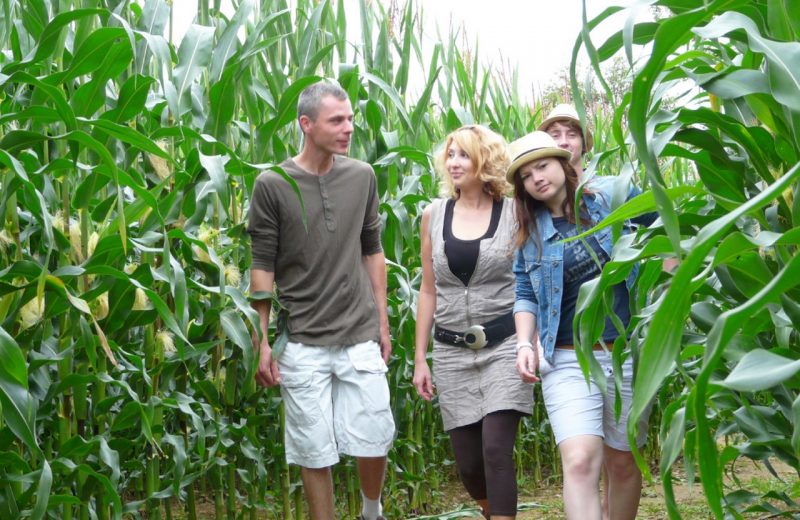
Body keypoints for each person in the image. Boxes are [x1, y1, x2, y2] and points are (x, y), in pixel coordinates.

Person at [248, 81, 395, 520]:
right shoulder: (272, 184)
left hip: (358, 335)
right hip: (303, 341)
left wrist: (383, 323)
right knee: (314, 451)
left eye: (350, 118)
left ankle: (372, 510)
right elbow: (262, 266)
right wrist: (261, 340)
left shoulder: (361, 176)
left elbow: (373, 250)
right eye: (337, 120)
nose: (349, 127)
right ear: (306, 124)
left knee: (375, 435)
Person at [508, 131, 656, 520]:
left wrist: (669, 284)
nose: (537, 177)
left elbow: (665, 228)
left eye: (543, 165)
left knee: (623, 464)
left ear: (562, 163)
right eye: (526, 175)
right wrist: (525, 343)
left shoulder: (612, 196)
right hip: (568, 360)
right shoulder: (532, 232)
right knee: (578, 461)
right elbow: (525, 290)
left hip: (627, 355)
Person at [413, 125, 533, 520]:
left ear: (485, 160)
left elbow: (531, 278)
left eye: (463, 154)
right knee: (468, 465)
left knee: (496, 450)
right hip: (451, 353)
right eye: (449, 154)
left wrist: (529, 342)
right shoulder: (433, 215)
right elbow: (428, 290)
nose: (453, 162)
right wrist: (420, 358)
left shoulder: (514, 212)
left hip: (503, 347)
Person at [538, 103, 594, 177]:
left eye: (572, 135)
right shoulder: (536, 187)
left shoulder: (608, 186)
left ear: (583, 144)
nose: (563, 142)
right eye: (555, 136)